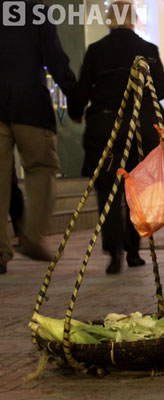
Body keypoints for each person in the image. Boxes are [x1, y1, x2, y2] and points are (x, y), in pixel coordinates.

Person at [68, 0, 164, 274]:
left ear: (109, 20)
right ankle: (134, 250)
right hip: (140, 128)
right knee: (135, 189)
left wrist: (76, 111)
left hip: (106, 128)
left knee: (108, 190)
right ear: (133, 19)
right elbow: (160, 89)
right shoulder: (147, 50)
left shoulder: (97, 50)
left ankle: (114, 253)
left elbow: (81, 90)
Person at [0, 0, 77, 274]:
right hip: (30, 106)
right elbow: (55, 58)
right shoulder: (36, 11)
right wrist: (75, 99)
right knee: (42, 169)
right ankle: (32, 237)